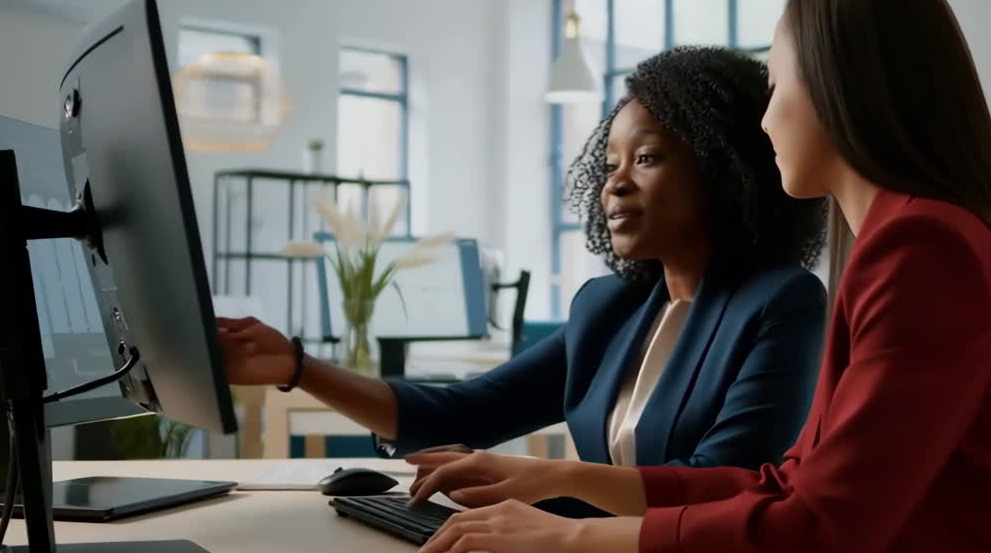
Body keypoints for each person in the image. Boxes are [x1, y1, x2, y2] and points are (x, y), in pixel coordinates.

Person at [405, 0, 991, 553]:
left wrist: (569, 537)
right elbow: (788, 487)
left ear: (837, 88)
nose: (764, 122)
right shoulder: (920, 241)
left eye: (775, 83)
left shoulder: (922, 253)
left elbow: (818, 532)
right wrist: (564, 480)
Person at [218, 45, 829, 516]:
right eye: (609, 164)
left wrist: (540, 484)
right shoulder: (609, 307)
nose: (614, 184)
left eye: (645, 159)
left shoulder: (781, 304)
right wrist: (296, 368)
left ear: (723, 168)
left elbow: (722, 487)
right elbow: (468, 411)